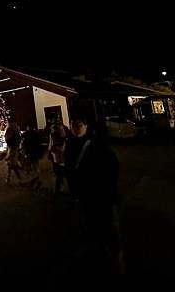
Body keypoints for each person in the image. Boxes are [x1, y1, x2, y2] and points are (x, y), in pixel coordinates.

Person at [65, 117, 124, 276]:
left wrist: (108, 192)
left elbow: (111, 170)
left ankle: (115, 261)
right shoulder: (72, 144)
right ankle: (101, 253)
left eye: (79, 125)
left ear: (87, 126)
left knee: (106, 226)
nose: (76, 128)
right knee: (92, 224)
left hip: (100, 195)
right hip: (88, 195)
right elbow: (70, 170)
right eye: (73, 125)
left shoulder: (96, 146)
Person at [48, 122, 68, 196]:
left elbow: (59, 147)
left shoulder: (60, 136)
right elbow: (52, 146)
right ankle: (58, 190)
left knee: (59, 174)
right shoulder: (54, 135)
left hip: (59, 157)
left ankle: (58, 190)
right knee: (59, 174)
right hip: (57, 157)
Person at [4, 120, 22, 184]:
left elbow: (8, 139)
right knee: (11, 163)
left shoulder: (11, 130)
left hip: (12, 148)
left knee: (11, 164)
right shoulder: (15, 130)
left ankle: (11, 178)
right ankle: (11, 178)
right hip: (14, 148)